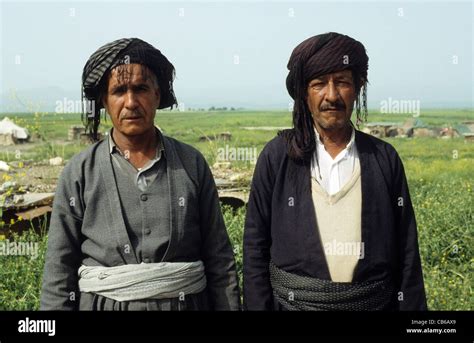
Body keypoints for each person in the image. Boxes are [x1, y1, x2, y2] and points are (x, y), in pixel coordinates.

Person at [41, 38, 240, 311]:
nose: (131, 102)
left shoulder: (191, 164)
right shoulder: (79, 173)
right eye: (119, 91)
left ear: (157, 95)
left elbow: (220, 260)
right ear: (104, 100)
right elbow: (58, 272)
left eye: (141, 89)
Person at [243, 32, 427, 311]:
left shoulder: (383, 158)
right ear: (305, 93)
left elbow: (407, 253)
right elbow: (255, 248)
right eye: (319, 84)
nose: (331, 95)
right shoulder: (277, 156)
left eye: (341, 82)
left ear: (358, 88)